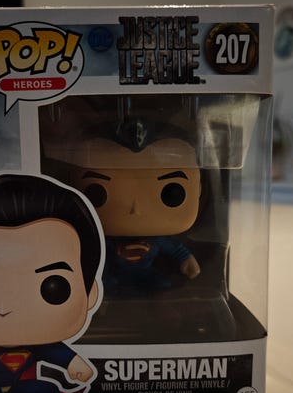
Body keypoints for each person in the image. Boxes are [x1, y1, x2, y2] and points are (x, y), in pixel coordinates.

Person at [0, 174, 103, 393]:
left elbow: (55, 352)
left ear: (90, 294)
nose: (3, 307)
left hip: (21, 391)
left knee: (44, 391)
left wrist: (74, 364)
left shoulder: (41, 346)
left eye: (53, 287)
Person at [68, 118, 202, 292]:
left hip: (146, 273)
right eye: (97, 193)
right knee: (101, 286)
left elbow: (175, 250)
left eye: (171, 193)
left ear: (198, 188)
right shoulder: (107, 241)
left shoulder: (157, 240)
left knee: (161, 285)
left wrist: (186, 259)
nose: (135, 209)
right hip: (110, 275)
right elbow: (92, 252)